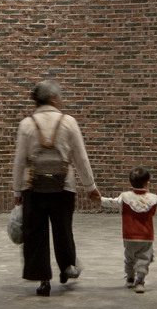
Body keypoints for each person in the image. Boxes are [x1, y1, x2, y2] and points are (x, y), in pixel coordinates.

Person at [12, 80, 98, 296]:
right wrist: (90, 186)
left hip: (33, 186)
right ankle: (67, 267)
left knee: (36, 233)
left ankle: (43, 280)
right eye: (60, 96)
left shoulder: (26, 124)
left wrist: (17, 191)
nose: (61, 100)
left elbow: (19, 161)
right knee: (63, 229)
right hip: (64, 186)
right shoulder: (68, 122)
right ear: (52, 99)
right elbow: (80, 157)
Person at [100, 169, 157, 291]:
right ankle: (140, 282)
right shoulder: (154, 198)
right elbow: (155, 211)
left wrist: (99, 199)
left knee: (130, 258)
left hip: (129, 235)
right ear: (147, 182)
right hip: (146, 236)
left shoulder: (125, 197)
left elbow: (112, 202)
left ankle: (130, 278)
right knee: (144, 258)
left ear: (130, 182)